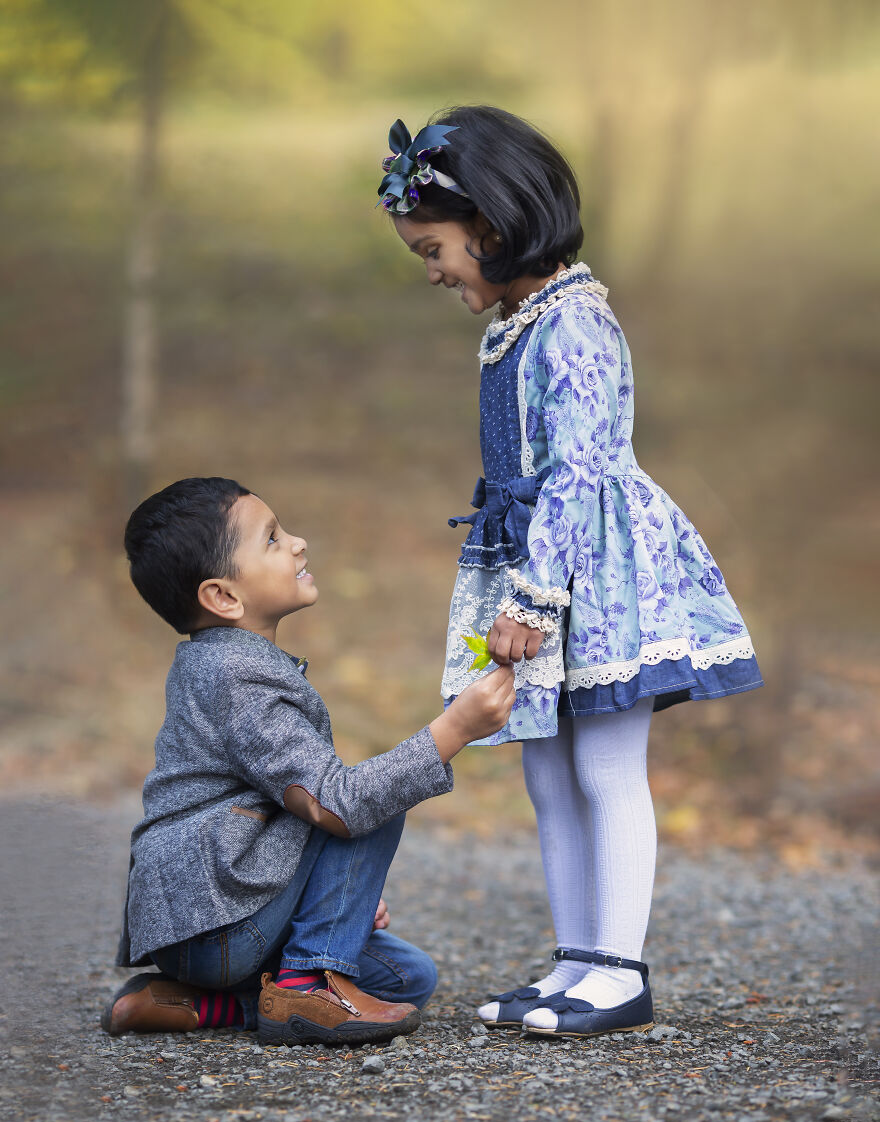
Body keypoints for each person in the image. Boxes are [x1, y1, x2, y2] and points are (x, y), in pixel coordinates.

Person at [375, 107, 763, 1038]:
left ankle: (620, 970)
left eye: (435, 250)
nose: (432, 271)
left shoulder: (576, 323)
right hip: (535, 562)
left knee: (604, 766)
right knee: (547, 774)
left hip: (596, 573)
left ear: (495, 231)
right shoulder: (517, 324)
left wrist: (534, 599)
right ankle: (576, 958)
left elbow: (582, 474)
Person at [102, 477, 514, 1046]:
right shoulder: (238, 677)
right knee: (375, 797)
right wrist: (454, 730)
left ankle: (199, 1006)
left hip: (198, 925)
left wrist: (339, 893)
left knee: (409, 979)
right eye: (272, 538)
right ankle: (305, 984)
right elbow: (339, 805)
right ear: (223, 597)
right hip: (220, 918)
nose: (298, 542)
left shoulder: (213, 664)